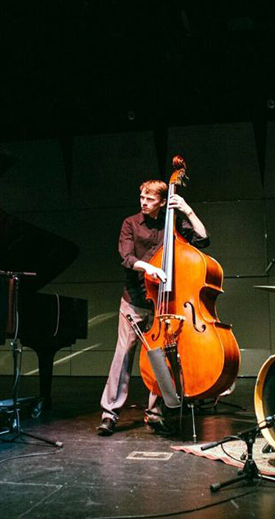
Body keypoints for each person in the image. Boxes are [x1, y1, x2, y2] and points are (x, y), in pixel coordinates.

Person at [96, 180, 210, 436]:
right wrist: (149, 268)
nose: (144, 203)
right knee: (123, 355)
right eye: (142, 198)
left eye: (149, 199)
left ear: (162, 201)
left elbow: (203, 240)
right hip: (135, 299)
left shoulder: (174, 223)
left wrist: (188, 211)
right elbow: (127, 258)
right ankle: (109, 414)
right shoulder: (130, 223)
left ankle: (155, 413)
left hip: (164, 302)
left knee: (160, 358)